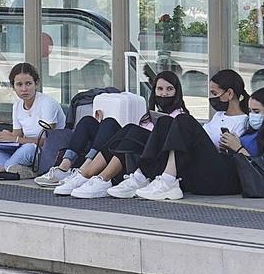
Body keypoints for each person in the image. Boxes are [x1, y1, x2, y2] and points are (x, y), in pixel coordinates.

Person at [109, 69, 250, 201]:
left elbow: (246, 158)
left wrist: (235, 145)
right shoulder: (219, 116)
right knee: (164, 121)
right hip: (197, 172)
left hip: (221, 176)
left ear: (230, 94)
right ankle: (141, 176)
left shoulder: (244, 121)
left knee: (183, 119)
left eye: (214, 93)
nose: (211, 98)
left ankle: (168, 180)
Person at [43, 90, 151, 198]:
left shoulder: (164, 121)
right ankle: (64, 167)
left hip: (139, 151)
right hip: (118, 145)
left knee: (115, 125)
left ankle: (87, 171)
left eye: (168, 89)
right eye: (160, 89)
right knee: (89, 121)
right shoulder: (149, 116)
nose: (163, 93)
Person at [0, 62, 64, 180]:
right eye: (19, 85)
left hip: (44, 153)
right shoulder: (17, 106)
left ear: (36, 83)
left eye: (28, 84)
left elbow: (47, 142)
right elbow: (17, 136)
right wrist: (4, 136)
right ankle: (17, 170)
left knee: (29, 148)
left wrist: (14, 139)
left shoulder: (47, 103)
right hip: (24, 151)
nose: (24, 89)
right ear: (13, 87)